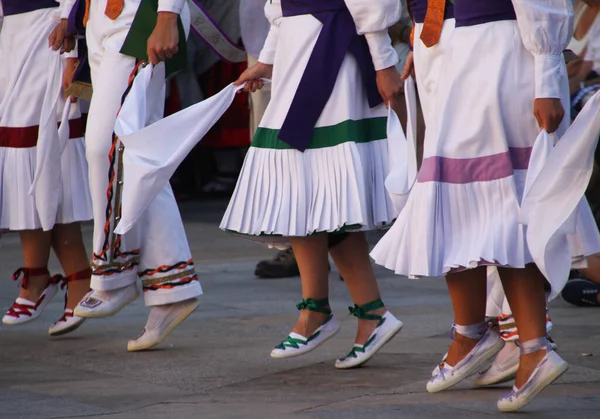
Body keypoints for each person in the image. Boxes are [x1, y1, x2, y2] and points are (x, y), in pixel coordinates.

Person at [372, 0, 600, 412]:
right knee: (467, 201)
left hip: (493, 47)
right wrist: (419, 38)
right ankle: (493, 337)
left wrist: (548, 76)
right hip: (446, 47)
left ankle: (511, 341)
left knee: (499, 202)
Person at [221, 0, 404, 368]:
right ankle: (359, 311)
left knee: (307, 181)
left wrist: (383, 63)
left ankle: (329, 311)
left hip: (330, 51)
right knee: (308, 188)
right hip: (298, 49)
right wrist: (270, 60)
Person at [52, 0, 203, 351]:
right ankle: (171, 286)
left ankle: (114, 275)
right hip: (98, 19)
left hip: (140, 18)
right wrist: (67, 22)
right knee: (134, 150)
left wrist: (166, 13)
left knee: (108, 145)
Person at [0, 0, 92, 336]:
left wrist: (71, 53)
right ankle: (62, 275)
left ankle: (50, 276)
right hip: (13, 39)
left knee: (44, 154)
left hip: (49, 36)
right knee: (23, 156)